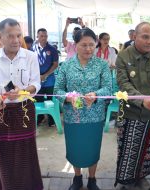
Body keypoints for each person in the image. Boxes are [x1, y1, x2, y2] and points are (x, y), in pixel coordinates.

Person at [0, 18, 43, 190]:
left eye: (18, 35)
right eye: (10, 36)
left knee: (25, 152)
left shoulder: (30, 56)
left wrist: (23, 91)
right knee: (3, 152)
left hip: (24, 110)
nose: (16, 40)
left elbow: (36, 84)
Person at [114, 22, 150, 188]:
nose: (149, 41)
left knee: (147, 149)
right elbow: (123, 84)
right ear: (134, 37)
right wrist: (141, 100)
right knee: (128, 150)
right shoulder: (124, 56)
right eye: (145, 37)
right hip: (129, 112)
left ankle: (141, 177)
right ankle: (126, 180)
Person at [54, 28, 112, 190]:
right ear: (76, 45)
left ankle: (92, 179)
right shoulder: (66, 66)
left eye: (92, 45)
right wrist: (68, 97)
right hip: (73, 116)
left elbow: (108, 88)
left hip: (95, 116)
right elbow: (57, 90)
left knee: (93, 147)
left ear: (96, 45)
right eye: (84, 45)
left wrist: (96, 94)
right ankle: (77, 178)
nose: (88, 49)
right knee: (75, 148)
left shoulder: (102, 65)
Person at [32, 28, 58, 127]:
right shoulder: (33, 49)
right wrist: (37, 76)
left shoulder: (52, 49)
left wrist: (45, 75)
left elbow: (55, 64)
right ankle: (40, 117)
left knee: (50, 100)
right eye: (41, 36)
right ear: (37, 37)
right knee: (38, 99)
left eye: (45, 36)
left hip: (49, 79)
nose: (44, 38)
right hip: (37, 79)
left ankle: (51, 120)